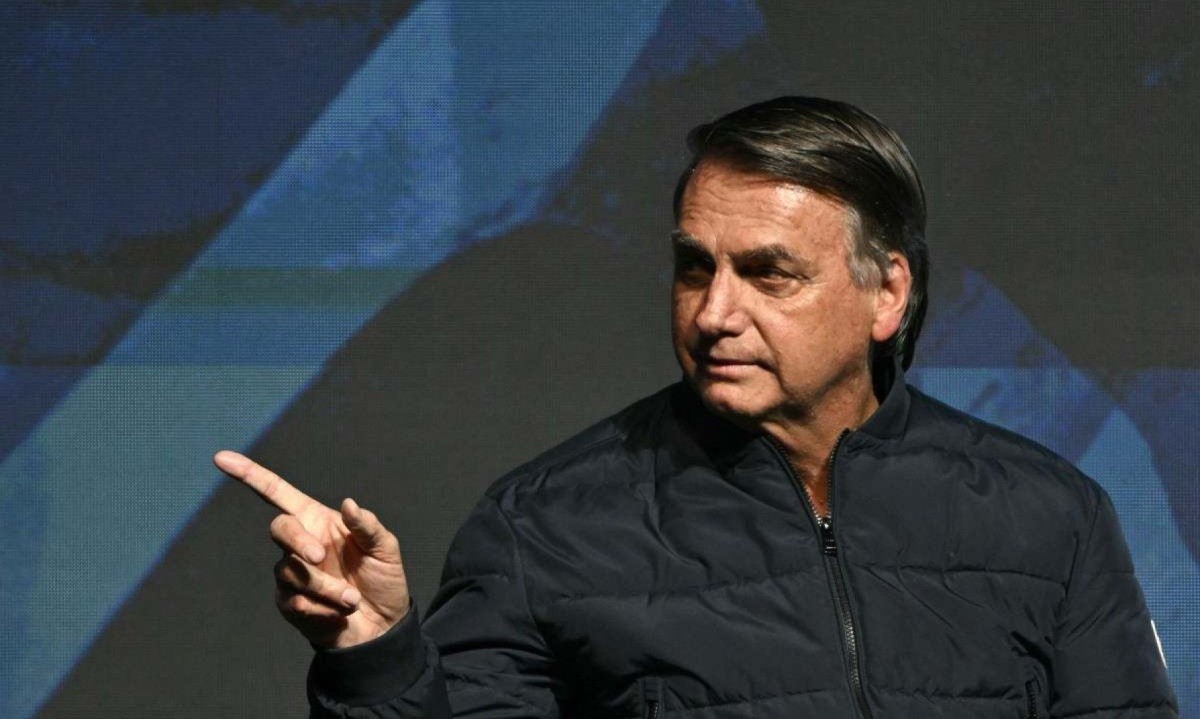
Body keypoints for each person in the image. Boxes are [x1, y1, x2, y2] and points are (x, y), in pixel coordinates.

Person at [215, 97, 1178, 718]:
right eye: (693, 268)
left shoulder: (1051, 513)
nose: (716, 312)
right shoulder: (544, 522)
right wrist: (374, 654)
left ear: (887, 293)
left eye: (769, 274)